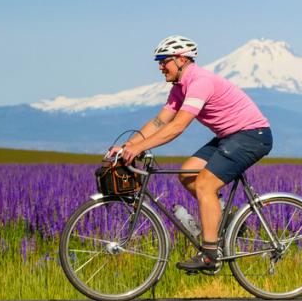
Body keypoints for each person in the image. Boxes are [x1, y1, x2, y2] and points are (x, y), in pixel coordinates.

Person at [110, 35, 273, 271]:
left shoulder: (199, 82)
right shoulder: (179, 88)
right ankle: (224, 222)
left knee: (205, 184)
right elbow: (159, 122)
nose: (159, 66)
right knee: (187, 174)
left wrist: (140, 148)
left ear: (180, 59)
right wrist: (128, 146)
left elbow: (177, 126)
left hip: (251, 135)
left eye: (163, 61)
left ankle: (209, 255)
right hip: (229, 136)